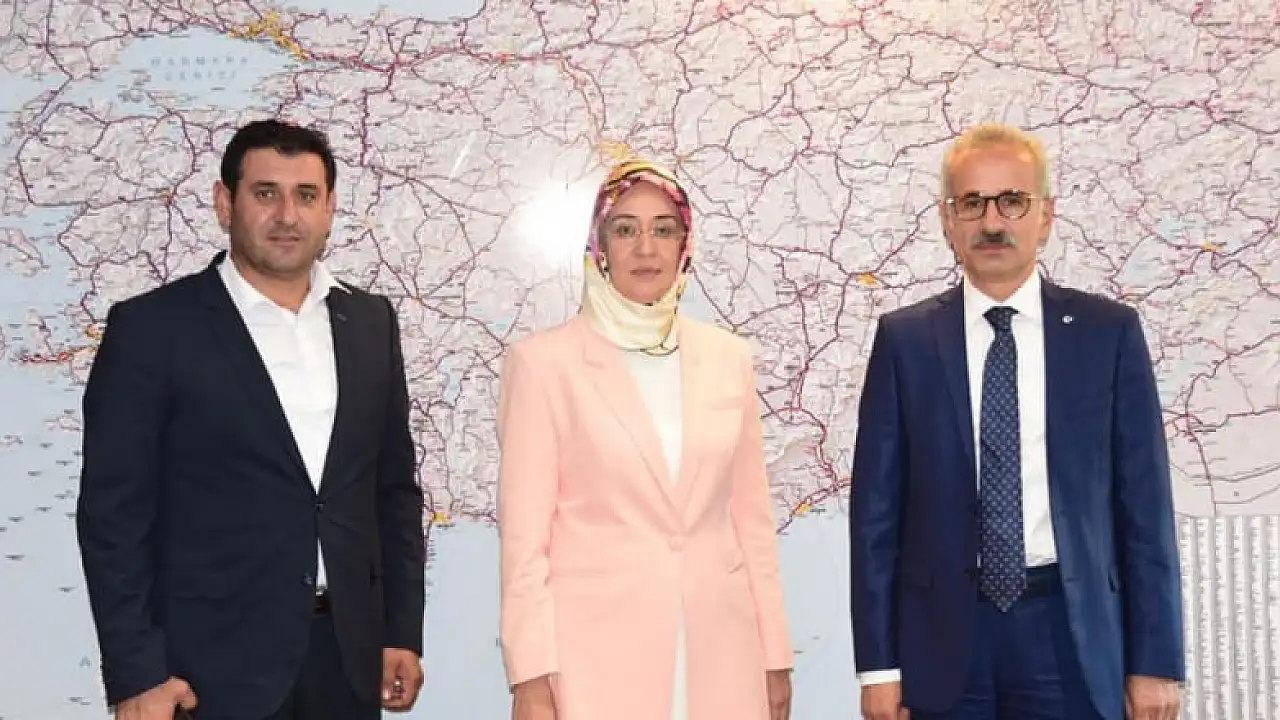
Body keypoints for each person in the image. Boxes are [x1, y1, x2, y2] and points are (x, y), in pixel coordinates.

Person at [75, 119, 426, 720]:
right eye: (266, 193)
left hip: (347, 663)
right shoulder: (152, 330)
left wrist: (400, 632)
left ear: (330, 208)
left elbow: (392, 491)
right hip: (207, 673)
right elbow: (114, 516)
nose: (287, 215)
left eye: (306, 195)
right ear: (225, 203)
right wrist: (138, 675)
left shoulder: (370, 323)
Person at [848, 123, 1185, 720]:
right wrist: (878, 669)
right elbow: (876, 519)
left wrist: (1155, 661)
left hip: (1070, 634)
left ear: (1045, 216)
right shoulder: (906, 342)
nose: (991, 221)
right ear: (948, 221)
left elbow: (1145, 509)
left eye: (1012, 201)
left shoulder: (1107, 335)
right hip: (943, 645)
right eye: (971, 203)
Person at [495, 159, 794, 720]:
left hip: (721, 653)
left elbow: (752, 522)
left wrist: (774, 656)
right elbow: (524, 544)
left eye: (663, 229)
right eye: (625, 229)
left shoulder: (729, 358)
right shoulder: (543, 365)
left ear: (685, 245)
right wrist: (530, 676)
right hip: (593, 662)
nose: (646, 248)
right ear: (600, 245)